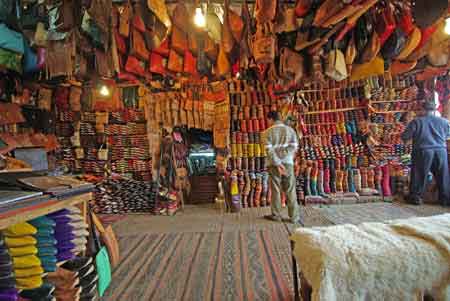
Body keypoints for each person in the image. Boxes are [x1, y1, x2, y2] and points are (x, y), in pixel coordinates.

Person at [401, 101, 450, 206]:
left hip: (423, 150)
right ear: (434, 109)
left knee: (419, 174)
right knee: (443, 175)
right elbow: (447, 136)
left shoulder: (417, 122)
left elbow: (405, 136)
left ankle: (416, 198)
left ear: (423, 109)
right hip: (441, 150)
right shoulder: (444, 122)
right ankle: (445, 199)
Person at [263, 111, 301, 224]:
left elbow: (269, 151)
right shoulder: (291, 130)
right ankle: (294, 217)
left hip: (273, 165)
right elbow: (294, 147)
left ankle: (276, 215)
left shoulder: (266, 132)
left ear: (270, 119)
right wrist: (284, 156)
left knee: (275, 190)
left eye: (268, 120)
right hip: (288, 164)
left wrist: (277, 162)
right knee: (290, 189)